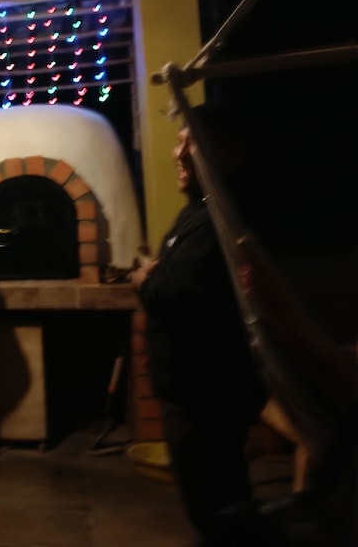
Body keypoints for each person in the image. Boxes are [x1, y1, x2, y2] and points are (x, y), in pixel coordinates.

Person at [129, 105, 268, 547]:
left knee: (217, 504)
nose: (178, 153)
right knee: (213, 499)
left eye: (191, 143)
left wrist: (143, 278)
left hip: (208, 392)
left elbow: (169, 291)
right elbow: (171, 273)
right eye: (178, 141)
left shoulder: (217, 219)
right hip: (193, 392)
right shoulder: (197, 210)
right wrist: (156, 273)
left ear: (228, 154)